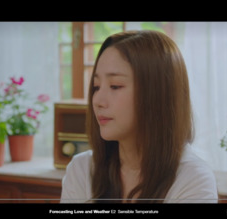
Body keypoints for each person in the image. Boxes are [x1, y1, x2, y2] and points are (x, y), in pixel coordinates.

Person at [60, 30, 218, 203]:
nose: (97, 100)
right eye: (96, 86)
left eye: (115, 86)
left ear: (157, 94)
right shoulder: (82, 170)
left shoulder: (193, 181)